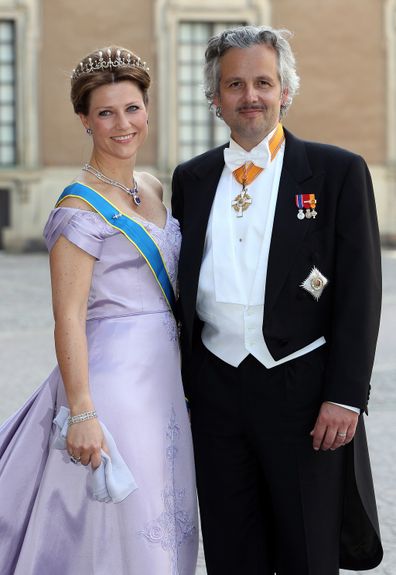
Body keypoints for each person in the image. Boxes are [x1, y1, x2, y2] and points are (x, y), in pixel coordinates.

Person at [172, 25, 383, 575]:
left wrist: (345, 395)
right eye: (235, 84)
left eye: (263, 81)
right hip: (216, 393)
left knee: (307, 554)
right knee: (230, 551)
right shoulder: (191, 180)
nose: (251, 96)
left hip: (303, 393)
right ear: (215, 98)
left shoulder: (337, 173)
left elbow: (361, 294)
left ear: (285, 90)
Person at [0, 46, 198, 575]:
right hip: (114, 387)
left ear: (148, 111)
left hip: (165, 384)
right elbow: (67, 316)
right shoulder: (78, 206)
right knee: (126, 532)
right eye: (105, 113)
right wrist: (83, 412)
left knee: (169, 512)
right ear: (85, 121)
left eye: (131, 108)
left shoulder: (153, 187)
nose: (122, 124)